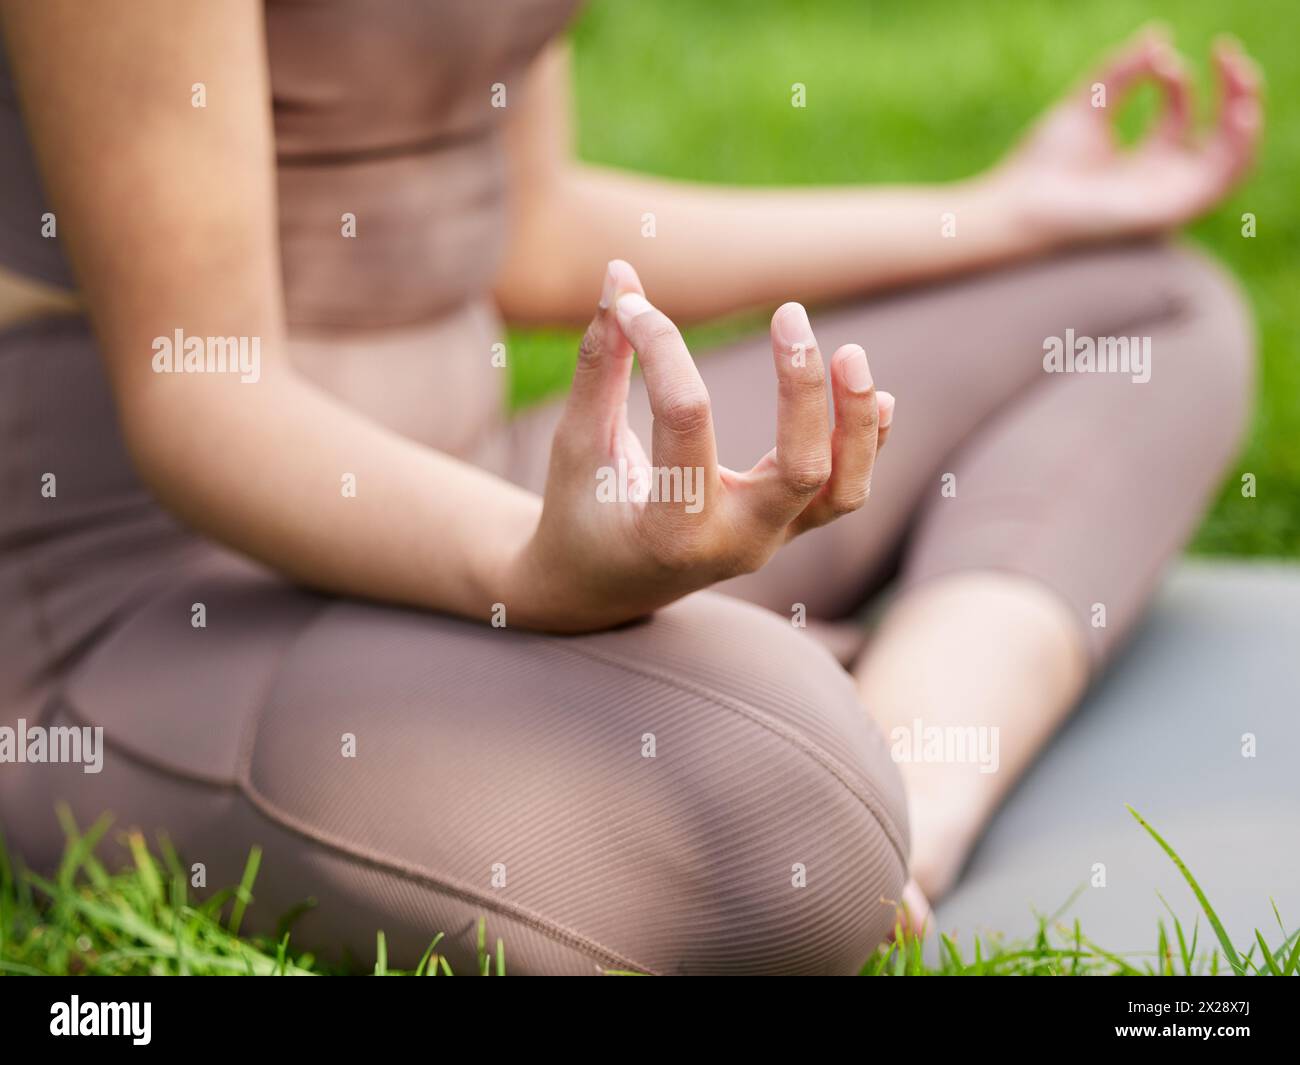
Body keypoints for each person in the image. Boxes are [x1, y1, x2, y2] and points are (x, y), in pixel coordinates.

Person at [0, 1, 1259, 974]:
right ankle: (812, 746)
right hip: (154, 598)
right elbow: (200, 393)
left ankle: (921, 782)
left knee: (1143, 305)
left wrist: (996, 214)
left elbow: (530, 227)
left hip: (457, 488)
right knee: (782, 831)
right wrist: (534, 569)